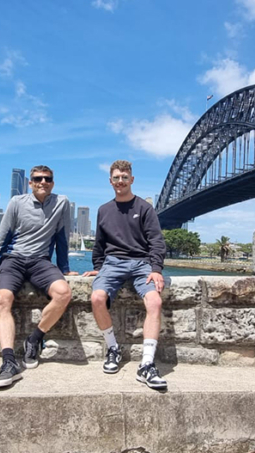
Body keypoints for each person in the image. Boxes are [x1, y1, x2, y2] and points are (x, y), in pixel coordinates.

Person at [0, 165, 76, 388]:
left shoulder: (62, 203)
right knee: (2, 300)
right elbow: (2, 236)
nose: (43, 182)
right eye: (38, 179)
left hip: (41, 262)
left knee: (63, 293)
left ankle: (35, 338)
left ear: (53, 183)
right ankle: (9, 362)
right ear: (30, 183)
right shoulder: (17, 203)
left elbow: (62, 237)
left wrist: (64, 268)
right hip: (14, 260)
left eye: (48, 179)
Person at [82, 160, 168, 390]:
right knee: (97, 298)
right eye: (117, 177)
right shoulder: (104, 210)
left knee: (155, 301)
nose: (121, 181)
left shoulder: (145, 208)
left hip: (142, 264)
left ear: (132, 179)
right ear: (110, 181)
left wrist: (156, 269)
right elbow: (99, 244)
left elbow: (157, 242)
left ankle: (147, 365)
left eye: (125, 177)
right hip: (112, 264)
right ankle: (113, 349)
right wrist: (99, 267)